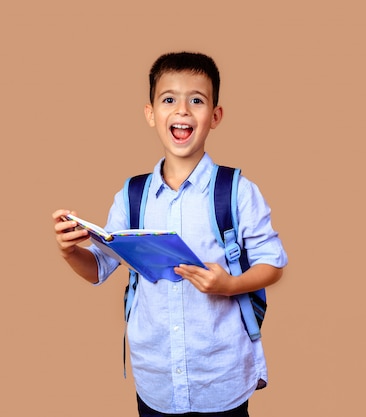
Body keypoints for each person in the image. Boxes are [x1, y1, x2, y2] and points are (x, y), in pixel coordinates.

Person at [52, 52, 288, 416]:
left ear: (215, 116)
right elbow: (99, 268)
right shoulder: (131, 196)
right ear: (150, 114)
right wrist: (71, 251)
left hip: (221, 377)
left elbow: (272, 265)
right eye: (168, 99)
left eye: (197, 100)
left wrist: (228, 286)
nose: (182, 110)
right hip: (156, 378)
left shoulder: (237, 191)